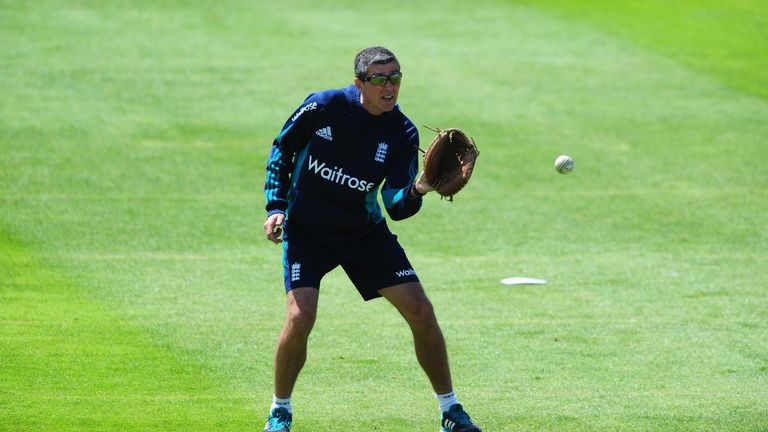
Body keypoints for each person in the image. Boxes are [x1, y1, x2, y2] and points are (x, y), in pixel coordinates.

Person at [261, 46, 482, 432]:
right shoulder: (322, 106)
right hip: (307, 231)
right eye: (380, 79)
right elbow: (283, 148)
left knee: (420, 310)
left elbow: (396, 205)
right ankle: (280, 411)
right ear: (359, 82)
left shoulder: (402, 132)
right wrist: (275, 206)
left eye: (396, 77)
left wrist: (420, 188)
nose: (390, 86)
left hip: (363, 233)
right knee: (300, 316)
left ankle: (451, 411)